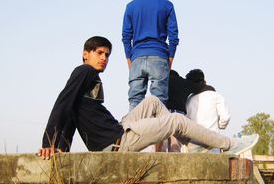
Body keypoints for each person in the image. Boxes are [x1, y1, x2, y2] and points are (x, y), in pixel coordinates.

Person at [38, 36, 258, 160]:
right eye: (99, 53)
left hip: (117, 130)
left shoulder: (88, 76)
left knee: (152, 101)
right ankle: (229, 144)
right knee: (176, 120)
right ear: (86, 53)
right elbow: (63, 104)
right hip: (116, 143)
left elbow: (72, 111)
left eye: (107, 55)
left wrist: (62, 148)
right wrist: (49, 143)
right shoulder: (84, 71)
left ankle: (191, 144)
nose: (104, 58)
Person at [122, 0, 179, 111]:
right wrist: (170, 57)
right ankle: (158, 132)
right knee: (159, 102)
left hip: (137, 56)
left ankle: (133, 130)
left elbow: (126, 36)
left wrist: (129, 57)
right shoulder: (167, 5)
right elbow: (173, 35)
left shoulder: (131, 6)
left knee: (135, 100)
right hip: (159, 55)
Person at [185, 69, 231, 153]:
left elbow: (186, 122)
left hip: (194, 143)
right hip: (212, 140)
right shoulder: (216, 95)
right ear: (204, 81)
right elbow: (225, 117)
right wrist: (220, 126)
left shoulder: (188, 100)